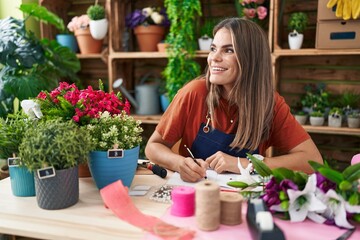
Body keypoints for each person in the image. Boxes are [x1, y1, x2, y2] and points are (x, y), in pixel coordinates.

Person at [145, 18, 323, 182]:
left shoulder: (270, 104)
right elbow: (153, 147)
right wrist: (179, 163)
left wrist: (244, 164)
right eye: (213, 48)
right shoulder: (195, 93)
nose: (214, 58)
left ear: (250, 59)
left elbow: (312, 160)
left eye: (228, 50)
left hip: (245, 198)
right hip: (197, 192)